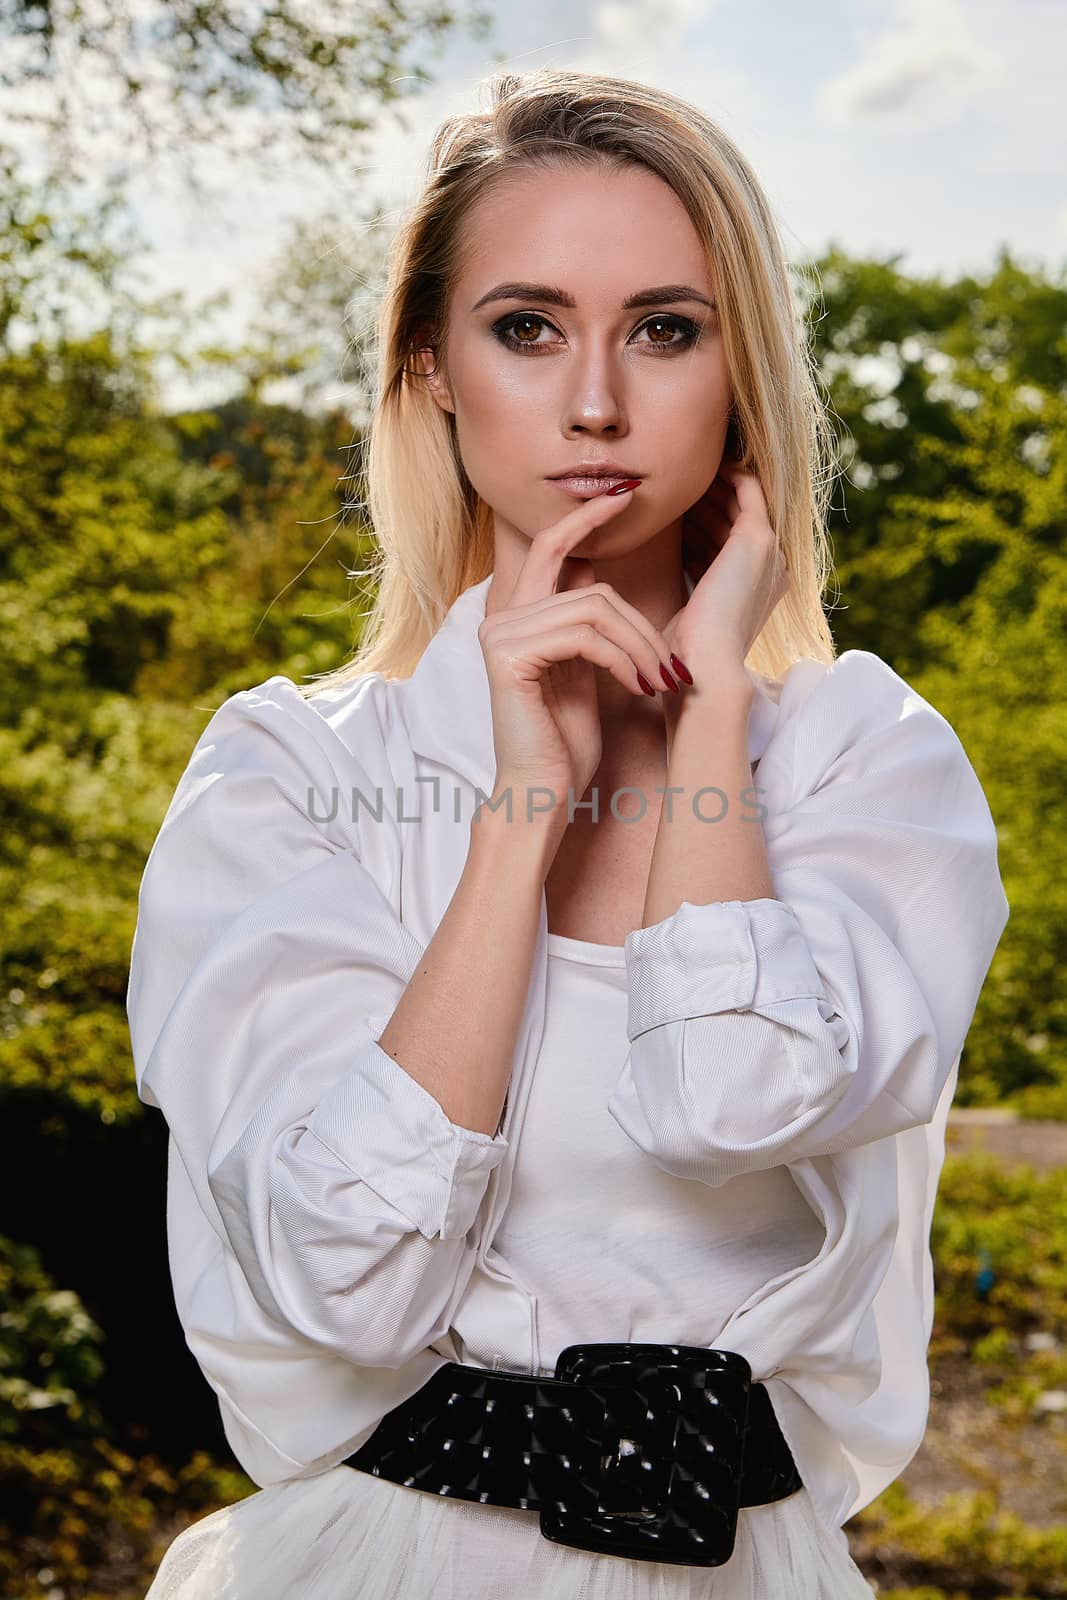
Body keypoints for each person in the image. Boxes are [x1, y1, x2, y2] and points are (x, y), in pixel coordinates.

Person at [126, 65, 1010, 1599]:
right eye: (526, 329)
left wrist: (716, 708)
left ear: (743, 375)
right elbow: (343, 1283)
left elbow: (727, 1101)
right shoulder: (288, 775)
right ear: (432, 373)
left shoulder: (872, 764)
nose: (595, 402)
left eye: (665, 330)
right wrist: (518, 815)